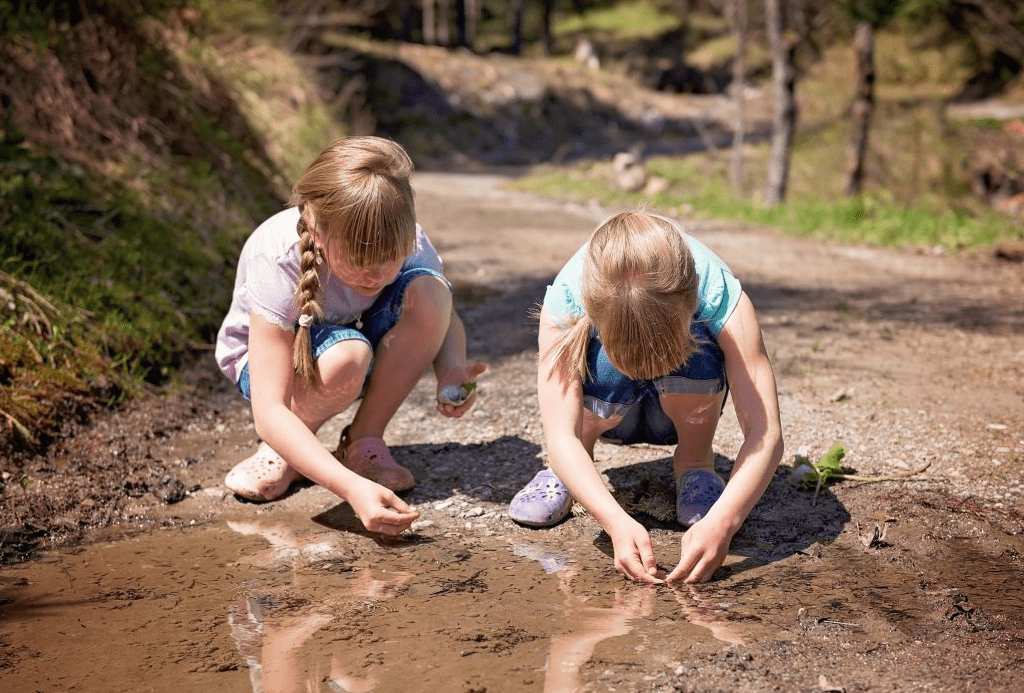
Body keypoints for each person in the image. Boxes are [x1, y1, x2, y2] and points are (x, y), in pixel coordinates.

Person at [215, 136, 485, 536]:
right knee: (347, 357)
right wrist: (349, 488)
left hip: (354, 342)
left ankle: (363, 441)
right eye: (360, 261)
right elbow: (270, 408)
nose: (375, 276)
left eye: (389, 260)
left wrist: (450, 369)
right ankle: (285, 447)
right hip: (273, 365)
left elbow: (443, 314)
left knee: (429, 292)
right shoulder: (276, 257)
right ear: (315, 229)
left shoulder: (407, 237)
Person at [508, 209, 783, 583]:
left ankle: (695, 465)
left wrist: (723, 522)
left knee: (702, 347)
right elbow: (560, 435)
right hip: (606, 413)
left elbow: (764, 433)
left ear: (690, 301)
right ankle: (570, 473)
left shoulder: (717, 293)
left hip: (680, 415)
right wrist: (615, 521)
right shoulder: (570, 299)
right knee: (586, 359)